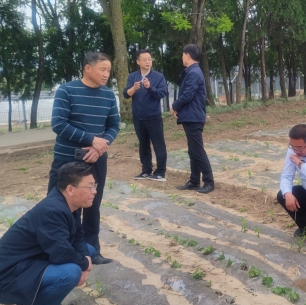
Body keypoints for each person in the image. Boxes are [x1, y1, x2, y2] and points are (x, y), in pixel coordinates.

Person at [0, 162, 97, 305]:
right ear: (70, 189)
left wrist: (85, 260)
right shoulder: (53, 210)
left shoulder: (68, 205)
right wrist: (84, 264)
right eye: (89, 187)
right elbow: (60, 254)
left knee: (89, 250)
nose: (94, 191)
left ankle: (38, 298)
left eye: (94, 185)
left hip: (32, 261)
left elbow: (79, 236)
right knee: (71, 272)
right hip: (7, 276)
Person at [47, 52, 119, 265]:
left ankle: (91, 251)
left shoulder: (108, 96)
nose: (106, 74)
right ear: (88, 68)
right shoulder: (66, 90)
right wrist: (91, 139)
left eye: (109, 70)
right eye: (102, 69)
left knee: (92, 204)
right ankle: (60, 253)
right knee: (61, 205)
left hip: (96, 160)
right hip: (66, 160)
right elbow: (59, 124)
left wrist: (100, 146)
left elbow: (113, 125)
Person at [172, 44, 214, 193]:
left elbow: (187, 95)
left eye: (183, 55)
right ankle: (194, 181)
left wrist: (174, 105)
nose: (182, 57)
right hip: (191, 115)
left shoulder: (194, 73)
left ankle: (209, 182)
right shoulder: (192, 71)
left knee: (198, 151)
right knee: (193, 151)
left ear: (188, 56)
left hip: (193, 117)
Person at [123, 48, 169, 182]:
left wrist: (150, 88)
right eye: (145, 60)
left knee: (158, 145)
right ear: (138, 61)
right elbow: (126, 94)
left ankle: (160, 172)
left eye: (149, 59)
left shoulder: (158, 76)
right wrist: (134, 88)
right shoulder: (133, 77)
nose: (148, 62)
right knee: (143, 145)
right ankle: (146, 170)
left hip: (153, 117)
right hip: (138, 117)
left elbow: (161, 93)